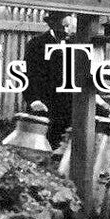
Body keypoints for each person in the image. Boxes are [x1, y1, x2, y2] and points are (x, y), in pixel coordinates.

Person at [22, 10, 76, 147]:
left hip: (69, 108)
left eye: (67, 26)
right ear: (52, 24)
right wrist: (33, 100)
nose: (65, 30)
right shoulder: (37, 44)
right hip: (45, 107)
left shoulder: (75, 46)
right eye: (62, 26)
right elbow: (28, 75)